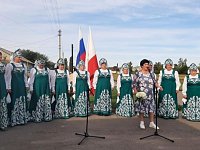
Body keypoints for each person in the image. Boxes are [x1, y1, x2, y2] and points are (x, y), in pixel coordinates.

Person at [5, 50, 29, 126]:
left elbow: (25, 76)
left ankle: (22, 118)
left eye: (21, 57)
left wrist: (26, 85)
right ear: (15, 57)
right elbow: (8, 77)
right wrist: (8, 87)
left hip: (21, 86)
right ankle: (13, 120)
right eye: (19, 57)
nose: (20, 58)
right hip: (14, 86)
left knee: (22, 100)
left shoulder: (23, 65)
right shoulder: (10, 65)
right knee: (14, 101)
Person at [133, 59, 159, 129]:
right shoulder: (138, 74)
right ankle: (142, 122)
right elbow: (134, 84)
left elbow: (155, 82)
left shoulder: (152, 74)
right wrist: (136, 93)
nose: (147, 65)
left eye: (148, 64)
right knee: (142, 108)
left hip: (151, 94)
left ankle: (152, 123)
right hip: (142, 94)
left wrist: (158, 86)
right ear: (142, 66)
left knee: (151, 108)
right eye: (145, 64)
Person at [0, 52, 8, 130]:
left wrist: (7, 87)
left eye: (1, 56)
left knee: (2, 103)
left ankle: (3, 124)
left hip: (2, 85)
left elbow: (6, 77)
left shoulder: (3, 65)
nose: (1, 57)